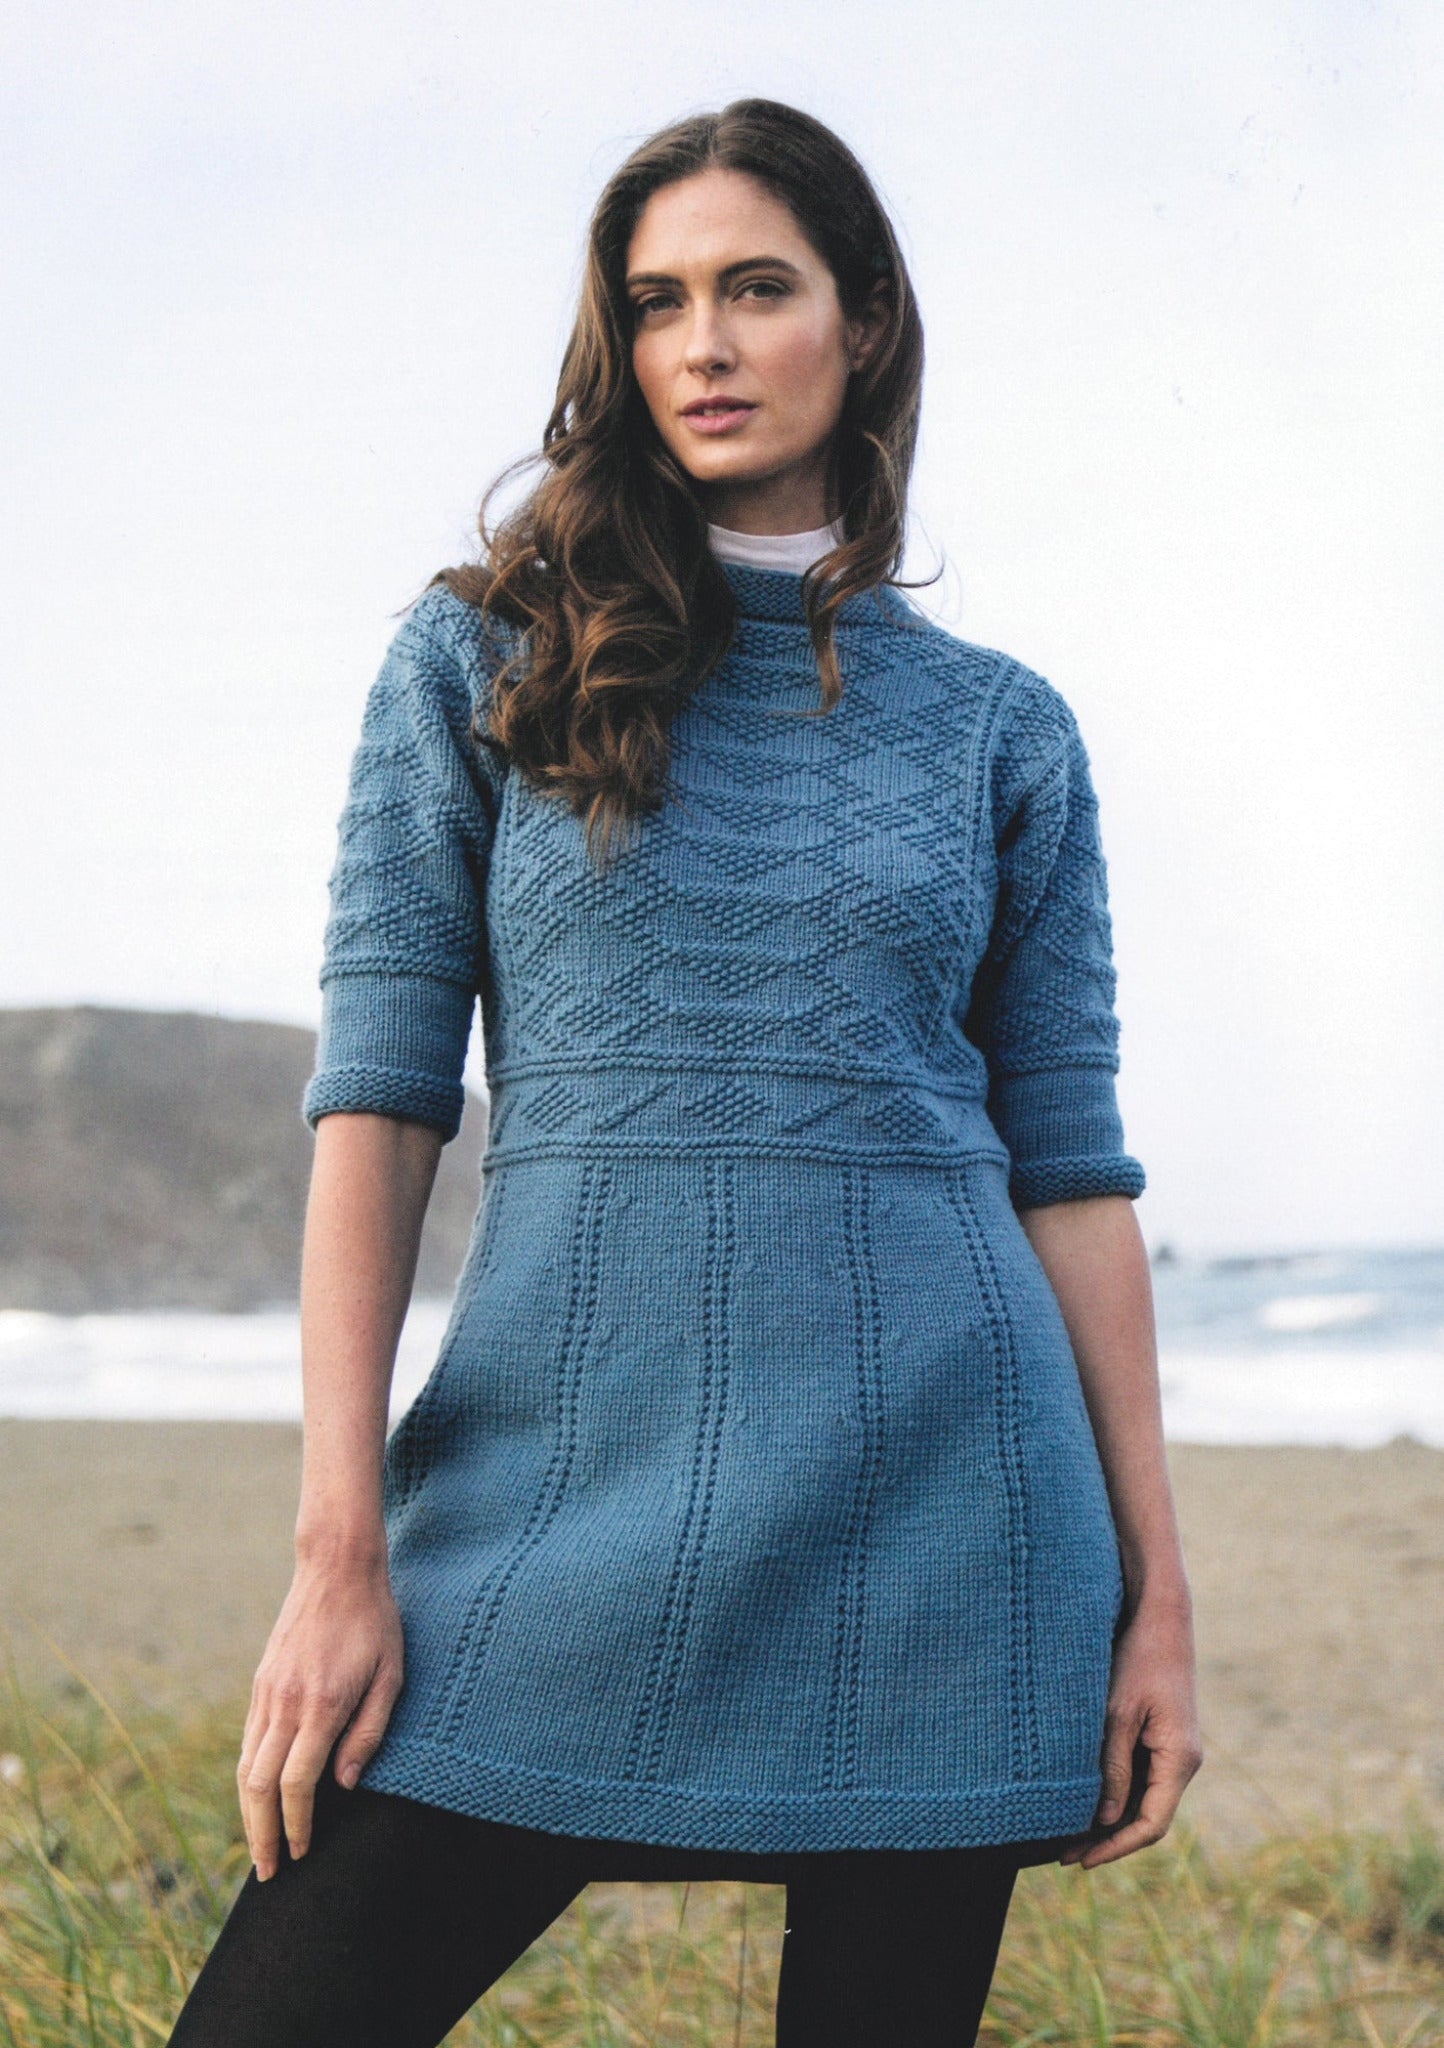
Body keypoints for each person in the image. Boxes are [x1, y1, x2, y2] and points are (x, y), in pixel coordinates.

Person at [168, 96, 1202, 2048]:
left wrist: (1154, 1594)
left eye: (754, 287)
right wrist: (337, 1550)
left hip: (948, 1520)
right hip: (549, 1510)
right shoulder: (478, 661)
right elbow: (379, 1106)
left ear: (864, 319)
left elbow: (1067, 1171)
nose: (702, 344)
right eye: (655, 302)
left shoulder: (1000, 732)